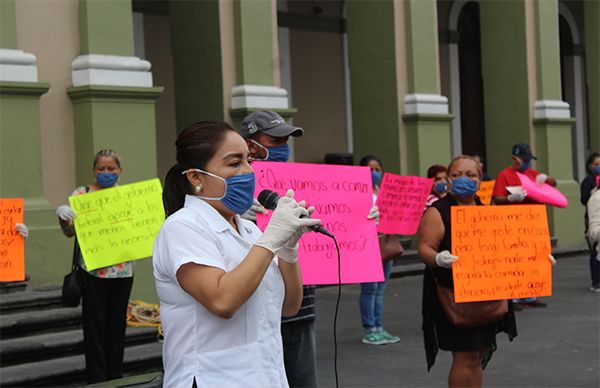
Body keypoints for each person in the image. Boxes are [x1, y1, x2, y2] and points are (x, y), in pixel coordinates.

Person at [154, 120, 319, 387]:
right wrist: (271, 240)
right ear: (196, 177)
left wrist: (288, 250)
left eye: (248, 162)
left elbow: (289, 307)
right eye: (234, 164)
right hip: (212, 378)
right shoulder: (182, 228)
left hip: (265, 375)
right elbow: (222, 301)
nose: (247, 172)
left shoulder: (250, 231)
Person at [417, 155, 518, 387]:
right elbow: (424, 248)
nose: (464, 179)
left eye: (471, 175)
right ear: (449, 180)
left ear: (480, 179)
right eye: (456, 175)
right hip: (453, 294)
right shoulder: (438, 212)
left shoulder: (485, 210)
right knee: (465, 356)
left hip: (484, 292)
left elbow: (506, 247)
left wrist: (535, 260)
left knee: (478, 355)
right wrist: (438, 258)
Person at [239, 110, 318, 387]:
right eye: (274, 142)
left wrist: (363, 219)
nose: (283, 149)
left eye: (286, 142)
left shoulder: (301, 180)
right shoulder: (234, 187)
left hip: (300, 300)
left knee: (302, 380)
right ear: (250, 145)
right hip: (255, 306)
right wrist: (237, 211)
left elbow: (327, 221)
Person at [55, 149, 133, 384]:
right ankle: (97, 378)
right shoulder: (82, 193)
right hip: (92, 272)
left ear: (120, 170)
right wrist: (63, 216)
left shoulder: (128, 196)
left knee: (117, 326)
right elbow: (70, 232)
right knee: (95, 328)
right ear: (93, 171)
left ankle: (115, 375)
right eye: (101, 168)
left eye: (111, 168)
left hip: (122, 272)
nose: (106, 172)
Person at [492, 143, 556, 308]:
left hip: (532, 225)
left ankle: (529, 295)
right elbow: (497, 198)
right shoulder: (504, 175)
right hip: (512, 225)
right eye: (524, 160)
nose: (527, 163)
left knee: (531, 259)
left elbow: (553, 185)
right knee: (513, 260)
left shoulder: (532, 174)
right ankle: (512, 297)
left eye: (529, 160)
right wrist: (510, 199)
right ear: (515, 159)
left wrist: (546, 179)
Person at [357, 155, 400, 345]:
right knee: (370, 289)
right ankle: (370, 328)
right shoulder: (358, 192)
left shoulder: (384, 192)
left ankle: (379, 327)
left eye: (377, 169)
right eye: (370, 169)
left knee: (381, 288)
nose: (374, 173)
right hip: (367, 246)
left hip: (384, 244)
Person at [580, 152, 600, 292]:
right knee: (594, 250)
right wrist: (592, 193)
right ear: (589, 166)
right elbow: (584, 200)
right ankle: (596, 281)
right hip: (593, 218)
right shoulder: (588, 181)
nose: (599, 167)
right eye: (596, 164)